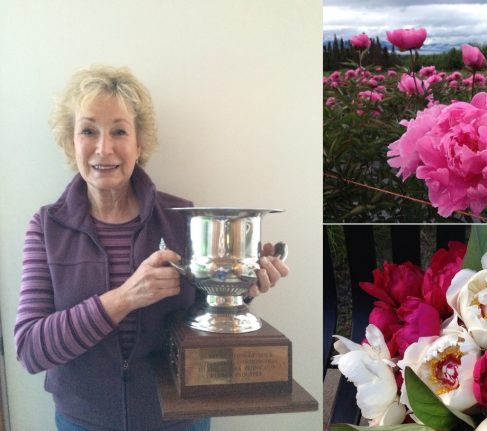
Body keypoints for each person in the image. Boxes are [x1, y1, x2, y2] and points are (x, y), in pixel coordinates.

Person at [14, 65, 289, 431]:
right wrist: (125, 297)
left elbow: (200, 320)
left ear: (140, 143)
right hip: (84, 420)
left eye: (119, 131)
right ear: (70, 141)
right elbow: (31, 349)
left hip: (179, 417)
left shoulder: (183, 218)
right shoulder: (47, 227)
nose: (104, 147)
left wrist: (240, 291)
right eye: (88, 130)